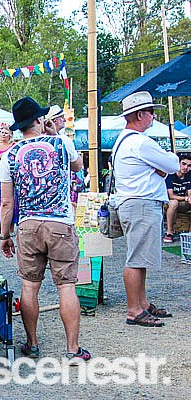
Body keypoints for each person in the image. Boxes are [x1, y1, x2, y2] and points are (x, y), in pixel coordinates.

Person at [0, 97, 90, 364]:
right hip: (60, 222)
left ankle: (32, 343)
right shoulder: (62, 143)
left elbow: (6, 203)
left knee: (29, 286)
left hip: (28, 225)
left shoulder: (9, 155)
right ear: (39, 120)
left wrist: (5, 235)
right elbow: (78, 167)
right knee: (66, 286)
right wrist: (54, 134)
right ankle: (72, 349)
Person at [112, 91, 179, 327]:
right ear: (140, 115)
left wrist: (159, 168)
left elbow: (164, 169)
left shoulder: (124, 140)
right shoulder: (141, 142)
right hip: (141, 203)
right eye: (151, 112)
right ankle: (134, 309)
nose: (153, 116)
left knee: (139, 257)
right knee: (136, 259)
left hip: (134, 203)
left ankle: (142, 303)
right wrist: (162, 165)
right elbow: (172, 165)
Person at [0, 127, 17, 236]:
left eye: (6, 133)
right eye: (2, 133)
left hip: (10, 176)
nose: (3, 134)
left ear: (10, 135)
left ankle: (10, 227)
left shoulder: (14, 146)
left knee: (10, 201)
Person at [164, 154, 191, 243]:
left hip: (183, 203)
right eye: (183, 164)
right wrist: (185, 198)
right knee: (174, 202)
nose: (186, 167)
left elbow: (189, 192)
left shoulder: (189, 176)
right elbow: (171, 195)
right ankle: (169, 233)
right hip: (169, 202)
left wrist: (189, 198)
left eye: (189, 165)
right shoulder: (170, 175)